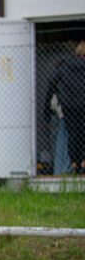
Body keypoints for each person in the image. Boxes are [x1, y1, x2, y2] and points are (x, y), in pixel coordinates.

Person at [44, 41, 85, 175]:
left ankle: (74, 165)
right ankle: (83, 163)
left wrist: (47, 112)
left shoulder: (65, 66)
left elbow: (51, 82)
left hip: (69, 107)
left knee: (72, 135)